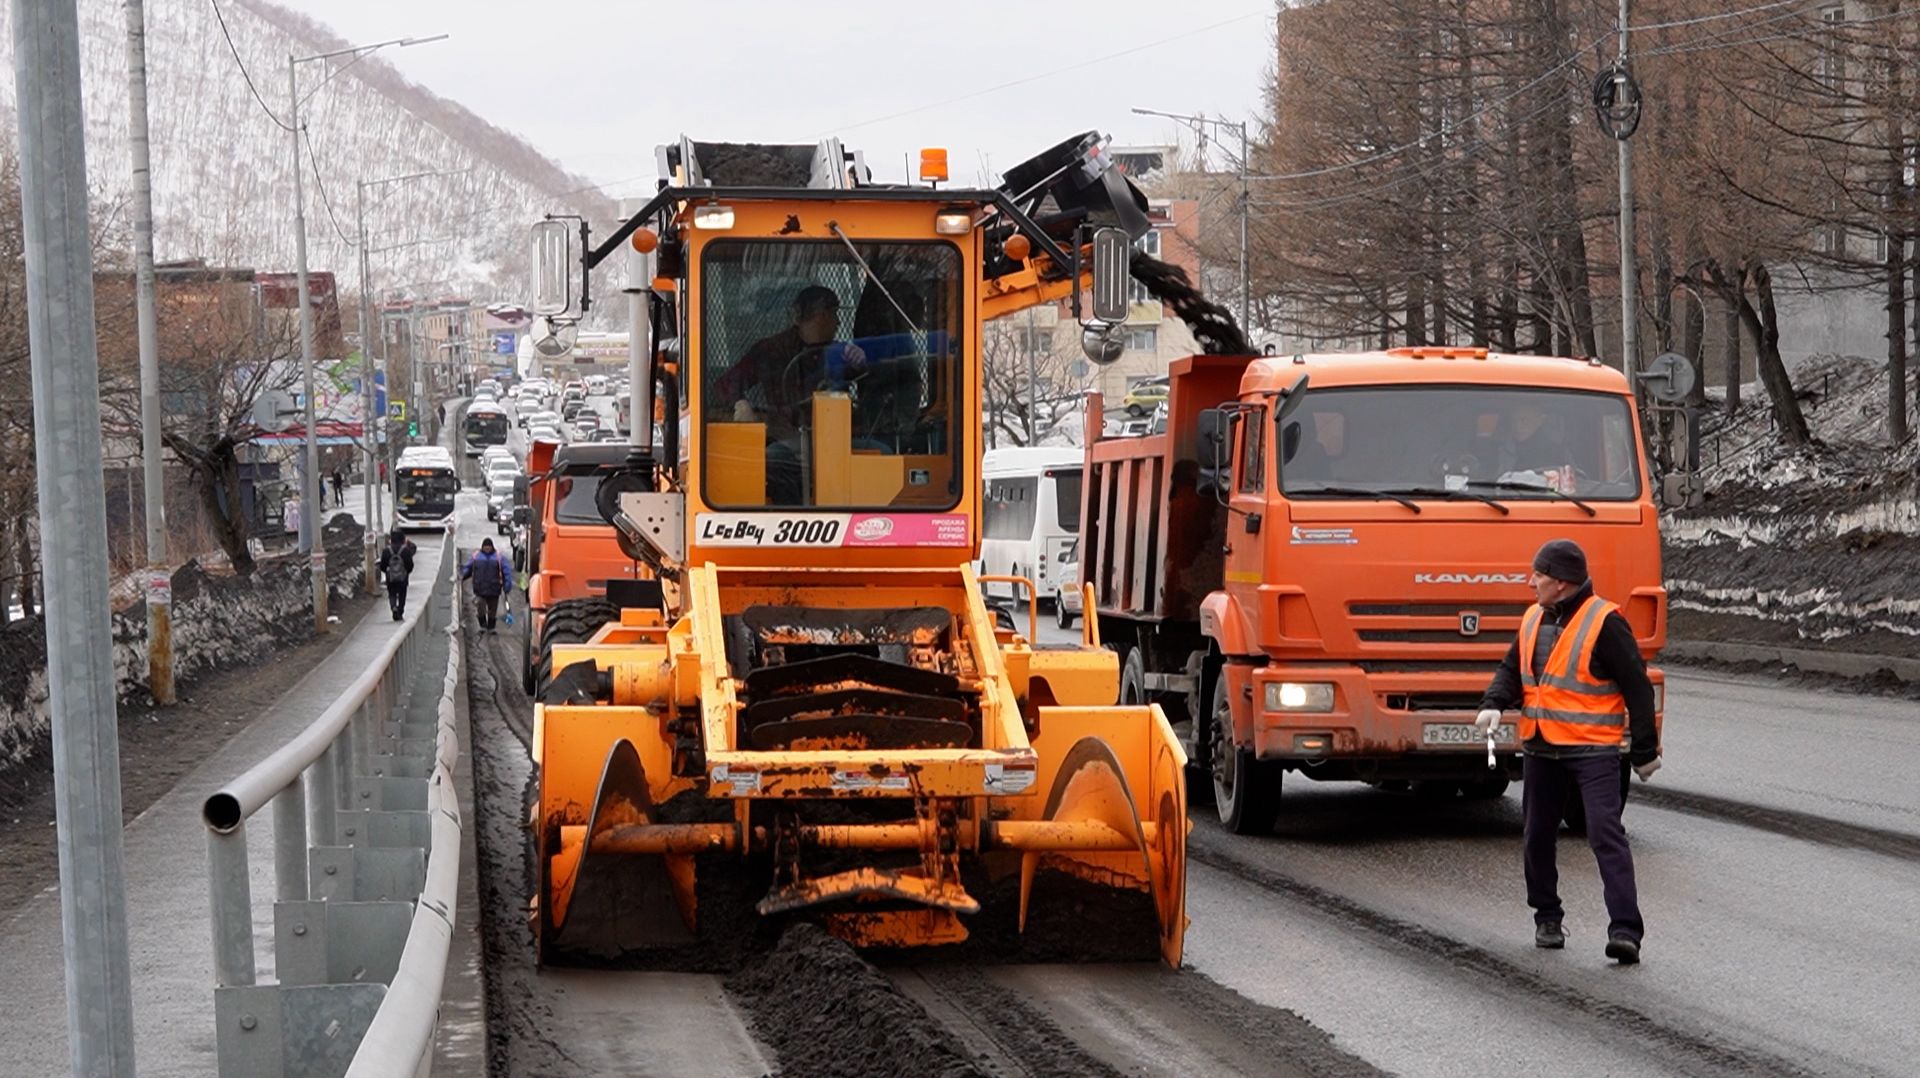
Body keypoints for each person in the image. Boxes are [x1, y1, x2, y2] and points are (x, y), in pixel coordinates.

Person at [1476, 538, 1661, 964]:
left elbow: (1636, 685)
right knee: (1537, 835)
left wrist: (1644, 751)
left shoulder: (1605, 622)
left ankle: (1625, 932)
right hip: (1541, 748)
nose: (1530, 582)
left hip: (1592, 750)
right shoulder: (1531, 619)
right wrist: (1492, 703)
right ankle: (1547, 917)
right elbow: (1511, 669)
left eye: (1537, 575)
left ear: (1560, 583)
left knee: (1605, 834)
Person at [460, 538, 514, 633]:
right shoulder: (476, 557)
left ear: (492, 547)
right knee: (480, 607)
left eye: (489, 547)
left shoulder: (498, 557)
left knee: (492, 610)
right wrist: (461, 576)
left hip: (494, 589)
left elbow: (507, 572)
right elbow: (468, 568)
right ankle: (483, 625)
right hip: (480, 589)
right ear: (483, 547)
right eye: (486, 547)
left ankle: (491, 627)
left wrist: (507, 585)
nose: (487, 548)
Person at [377, 528, 418, 622]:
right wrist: (406, 572)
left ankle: (393, 607)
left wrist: (387, 571)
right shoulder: (406, 550)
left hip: (390, 577)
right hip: (403, 577)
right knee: (402, 594)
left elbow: (383, 565)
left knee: (392, 593)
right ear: (403, 539)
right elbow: (410, 565)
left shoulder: (387, 550)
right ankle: (400, 611)